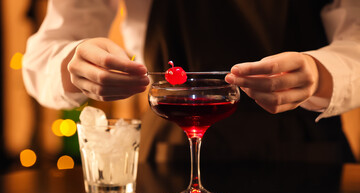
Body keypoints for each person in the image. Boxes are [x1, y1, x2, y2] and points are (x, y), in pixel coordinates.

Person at [22, 0, 360, 164]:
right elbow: (45, 53)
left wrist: (320, 72)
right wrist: (73, 62)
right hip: (168, 159)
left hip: (310, 159)